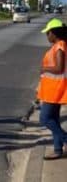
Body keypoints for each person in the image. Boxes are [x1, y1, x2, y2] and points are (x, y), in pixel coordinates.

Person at [37, 18, 67, 160]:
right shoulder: (58, 45)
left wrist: (44, 68)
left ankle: (65, 139)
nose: (47, 36)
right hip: (52, 89)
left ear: (54, 33)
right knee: (53, 119)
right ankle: (57, 150)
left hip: (56, 90)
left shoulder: (60, 46)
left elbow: (59, 68)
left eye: (48, 33)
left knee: (45, 119)